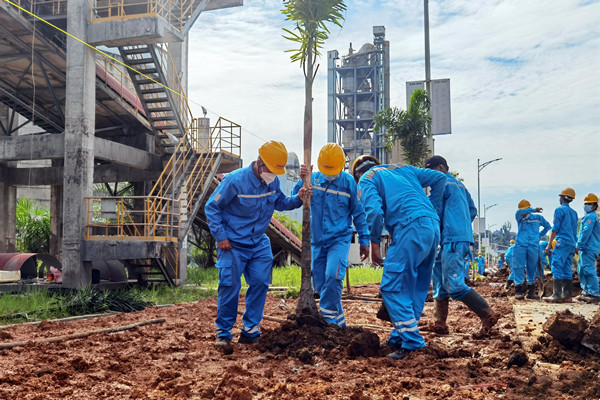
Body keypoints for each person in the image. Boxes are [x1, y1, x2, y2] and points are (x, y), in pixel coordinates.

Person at [205, 141, 309, 346]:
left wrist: (298, 198)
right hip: (233, 243)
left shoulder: (272, 182)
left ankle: (250, 330)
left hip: (259, 241)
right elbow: (212, 208)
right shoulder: (234, 181)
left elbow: (280, 202)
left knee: (261, 282)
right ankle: (224, 334)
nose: (273, 174)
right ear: (259, 162)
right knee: (230, 286)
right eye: (270, 170)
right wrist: (221, 236)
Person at [353, 155, 446, 360]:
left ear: (357, 174)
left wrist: (374, 244)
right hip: (431, 228)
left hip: (409, 228)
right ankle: (399, 337)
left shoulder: (367, 179)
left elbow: (375, 212)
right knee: (414, 287)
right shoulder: (404, 169)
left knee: (391, 287)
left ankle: (412, 343)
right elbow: (440, 179)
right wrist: (431, 209)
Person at [292, 143, 370, 326]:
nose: (329, 174)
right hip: (317, 241)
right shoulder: (314, 179)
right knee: (321, 285)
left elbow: (358, 213)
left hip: (339, 239)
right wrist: (302, 179)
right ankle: (339, 325)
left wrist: (364, 240)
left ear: (341, 166)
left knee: (333, 276)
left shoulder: (348, 183)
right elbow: (295, 197)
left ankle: (326, 321)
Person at [425, 156, 498, 335]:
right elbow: (472, 210)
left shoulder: (441, 184)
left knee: (454, 286)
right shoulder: (461, 186)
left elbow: (437, 212)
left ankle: (487, 314)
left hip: (451, 239)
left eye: (432, 170)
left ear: (441, 167)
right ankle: (439, 323)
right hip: (455, 237)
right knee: (440, 285)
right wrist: (462, 225)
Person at [544, 188, 579, 303]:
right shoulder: (574, 213)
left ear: (562, 198)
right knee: (566, 268)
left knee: (557, 265)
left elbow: (555, 229)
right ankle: (567, 295)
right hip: (571, 243)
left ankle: (557, 295)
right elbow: (574, 231)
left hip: (562, 242)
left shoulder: (559, 210)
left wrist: (549, 245)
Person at [513, 200, 552, 299]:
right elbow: (519, 212)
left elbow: (548, 226)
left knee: (532, 267)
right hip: (520, 245)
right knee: (519, 267)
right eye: (524, 210)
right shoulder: (519, 217)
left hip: (533, 246)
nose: (525, 212)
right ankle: (518, 290)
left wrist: (539, 235)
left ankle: (531, 291)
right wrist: (534, 209)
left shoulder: (538, 218)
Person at [575, 193, 600, 302]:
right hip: (585, 248)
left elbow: (585, 233)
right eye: (586, 203)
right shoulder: (588, 217)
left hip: (589, 247)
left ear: (595, 206)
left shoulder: (591, 217)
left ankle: (594, 292)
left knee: (588, 270)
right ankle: (586, 291)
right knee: (581, 270)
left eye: (589, 204)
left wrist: (579, 245)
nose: (587, 205)